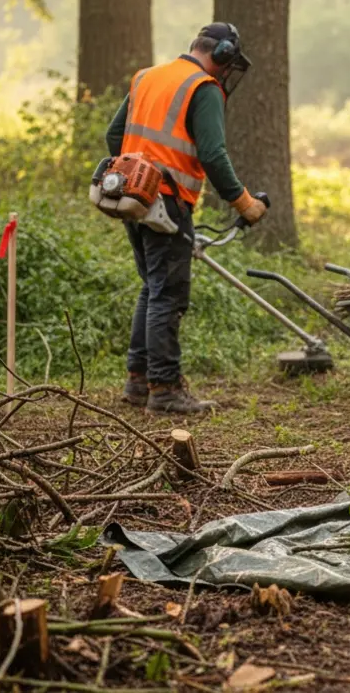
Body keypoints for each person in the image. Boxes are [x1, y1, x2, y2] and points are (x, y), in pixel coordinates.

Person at [105, 22, 267, 414]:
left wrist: (138, 171)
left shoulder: (148, 77)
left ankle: (138, 382)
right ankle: (165, 390)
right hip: (168, 201)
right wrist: (243, 202)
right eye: (228, 64)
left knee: (152, 287)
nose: (226, 73)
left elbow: (114, 136)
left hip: (131, 195)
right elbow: (212, 154)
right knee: (169, 293)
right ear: (223, 54)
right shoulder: (203, 87)